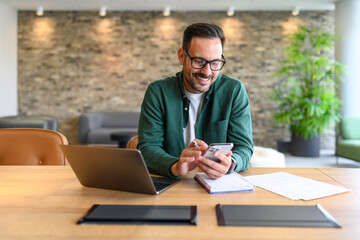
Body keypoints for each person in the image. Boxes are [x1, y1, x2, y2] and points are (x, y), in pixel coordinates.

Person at [138, 23, 253, 179]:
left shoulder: (234, 91)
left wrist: (230, 163)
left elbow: (244, 148)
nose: (207, 72)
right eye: (199, 61)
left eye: (215, 63)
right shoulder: (158, 92)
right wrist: (174, 166)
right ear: (181, 56)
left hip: (218, 185)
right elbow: (148, 148)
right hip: (173, 184)